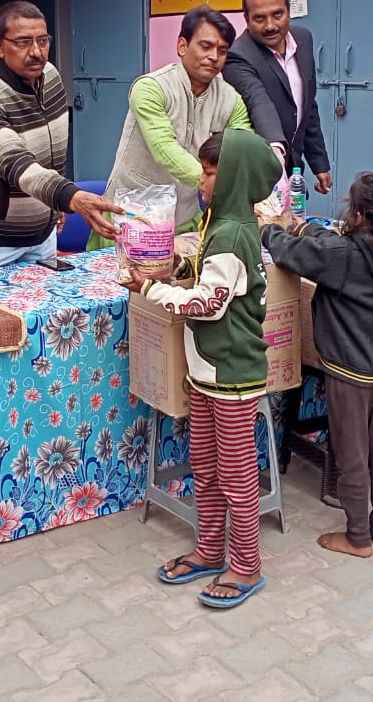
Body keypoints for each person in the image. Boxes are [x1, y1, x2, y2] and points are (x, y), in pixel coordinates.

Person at [123, 129, 282, 608]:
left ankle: (247, 565)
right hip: (206, 373)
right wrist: (171, 267)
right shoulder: (219, 223)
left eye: (210, 172)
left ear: (233, 177)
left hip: (232, 377)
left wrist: (151, 291)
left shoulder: (233, 234)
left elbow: (210, 303)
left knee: (235, 475)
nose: (202, 179)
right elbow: (205, 280)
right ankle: (211, 551)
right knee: (208, 470)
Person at [262, 173, 373, 558]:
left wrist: (270, 231)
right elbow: (331, 247)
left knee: (352, 457)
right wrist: (305, 226)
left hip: (347, 375)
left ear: (358, 214)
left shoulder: (343, 257)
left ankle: (356, 537)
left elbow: (294, 254)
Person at [0, 1, 120, 268]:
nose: (36, 52)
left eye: (42, 40)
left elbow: (53, 151)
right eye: (22, 42)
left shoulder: (51, 76)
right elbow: (16, 163)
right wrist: (70, 196)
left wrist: (54, 205)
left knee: (48, 307)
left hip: (43, 233)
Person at [89, 5, 252, 250]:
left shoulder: (231, 99)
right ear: (182, 46)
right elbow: (164, 148)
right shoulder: (150, 88)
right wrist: (216, 181)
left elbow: (244, 146)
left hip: (184, 221)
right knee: (124, 287)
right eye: (205, 46)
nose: (214, 56)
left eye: (222, 50)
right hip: (131, 219)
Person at [223, 0, 332, 194]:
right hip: (256, 174)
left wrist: (319, 163)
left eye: (277, 14)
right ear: (246, 19)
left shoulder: (303, 39)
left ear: (288, 11)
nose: (270, 25)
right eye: (259, 18)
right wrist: (275, 149)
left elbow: (306, 105)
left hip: (293, 171)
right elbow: (258, 101)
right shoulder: (237, 56)